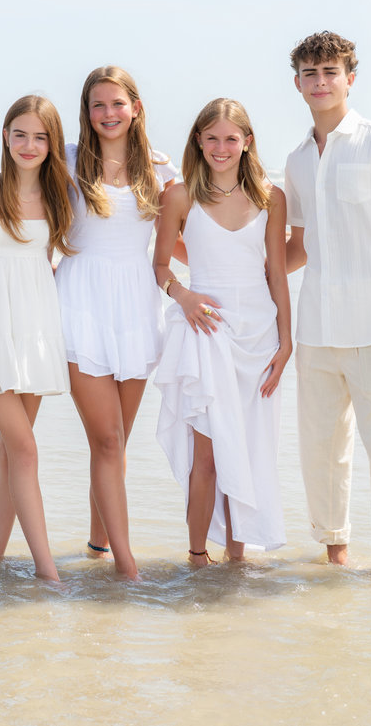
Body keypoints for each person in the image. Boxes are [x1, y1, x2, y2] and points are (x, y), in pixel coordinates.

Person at [283, 31, 371, 578]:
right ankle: (335, 558)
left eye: (330, 72)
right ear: (296, 83)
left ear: (349, 77)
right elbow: (300, 247)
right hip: (316, 330)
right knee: (321, 455)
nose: (320, 82)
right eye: (310, 74)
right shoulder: (296, 160)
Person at [153, 99, 293, 566]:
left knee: (250, 449)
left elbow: (276, 272)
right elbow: (158, 265)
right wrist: (183, 295)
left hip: (259, 337)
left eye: (231, 138)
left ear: (247, 142)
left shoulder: (271, 197)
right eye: (211, 137)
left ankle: (236, 559)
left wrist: (287, 340)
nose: (221, 147)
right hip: (206, 330)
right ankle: (196, 558)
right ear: (197, 140)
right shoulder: (179, 196)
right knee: (208, 455)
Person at [54, 66, 179, 580]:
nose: (108, 114)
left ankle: (97, 544)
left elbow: (177, 243)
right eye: (97, 105)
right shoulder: (64, 161)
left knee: (116, 442)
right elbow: (22, 208)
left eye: (116, 104)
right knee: (106, 440)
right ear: (86, 112)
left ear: (136, 107)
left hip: (136, 305)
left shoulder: (161, 171)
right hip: (80, 302)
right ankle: (127, 566)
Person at [0, 95, 74, 582]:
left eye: (40, 137)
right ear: (5, 137)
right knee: (25, 450)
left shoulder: (60, 195)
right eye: (20, 134)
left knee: (11, 451)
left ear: (52, 144)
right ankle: (48, 573)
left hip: (36, 334)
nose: (29, 145)